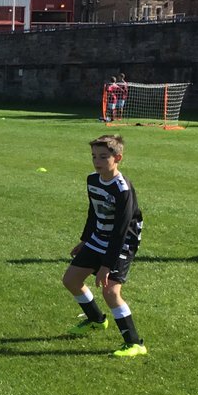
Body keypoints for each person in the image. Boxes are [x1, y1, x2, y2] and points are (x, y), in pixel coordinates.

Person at [62, 134, 147, 358]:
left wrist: (107, 265)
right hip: (99, 237)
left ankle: (135, 343)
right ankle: (96, 320)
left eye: (103, 156)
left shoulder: (123, 189)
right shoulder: (92, 180)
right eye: (93, 157)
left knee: (110, 291)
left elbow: (121, 229)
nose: (97, 161)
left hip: (123, 242)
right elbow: (94, 211)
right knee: (70, 280)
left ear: (117, 157)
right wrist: (85, 240)